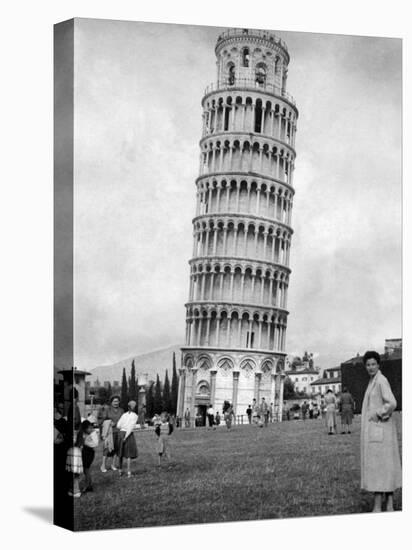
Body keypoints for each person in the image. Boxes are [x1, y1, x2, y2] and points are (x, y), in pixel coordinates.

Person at [360, 351, 401, 512]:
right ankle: (384, 503)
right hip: (379, 431)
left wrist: (378, 413)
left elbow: (391, 403)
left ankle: (383, 503)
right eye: (368, 365)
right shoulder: (373, 381)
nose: (370, 367)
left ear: (378, 365)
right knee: (382, 466)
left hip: (381, 429)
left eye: (373, 364)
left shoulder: (381, 381)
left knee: (382, 466)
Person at [100, 395, 123, 473]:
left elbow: (123, 420)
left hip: (119, 431)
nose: (116, 403)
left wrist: (117, 423)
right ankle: (103, 465)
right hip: (109, 432)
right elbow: (102, 420)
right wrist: (109, 422)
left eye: (117, 401)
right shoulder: (107, 410)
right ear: (111, 402)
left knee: (116, 449)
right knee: (107, 449)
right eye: (114, 401)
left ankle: (113, 465)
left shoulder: (121, 410)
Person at [117, 400, 138, 478]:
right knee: (128, 454)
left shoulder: (124, 415)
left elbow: (118, 425)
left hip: (121, 433)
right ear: (133, 407)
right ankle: (129, 472)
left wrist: (122, 430)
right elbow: (131, 427)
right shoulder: (135, 415)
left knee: (120, 453)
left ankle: (120, 470)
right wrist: (126, 436)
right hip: (128, 434)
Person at [79, 420, 99, 493]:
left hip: (89, 452)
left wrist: (85, 442)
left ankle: (87, 486)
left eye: (91, 428)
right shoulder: (84, 433)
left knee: (86, 470)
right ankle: (89, 485)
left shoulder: (93, 433)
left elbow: (95, 444)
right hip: (85, 451)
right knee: (85, 470)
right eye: (88, 428)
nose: (90, 429)